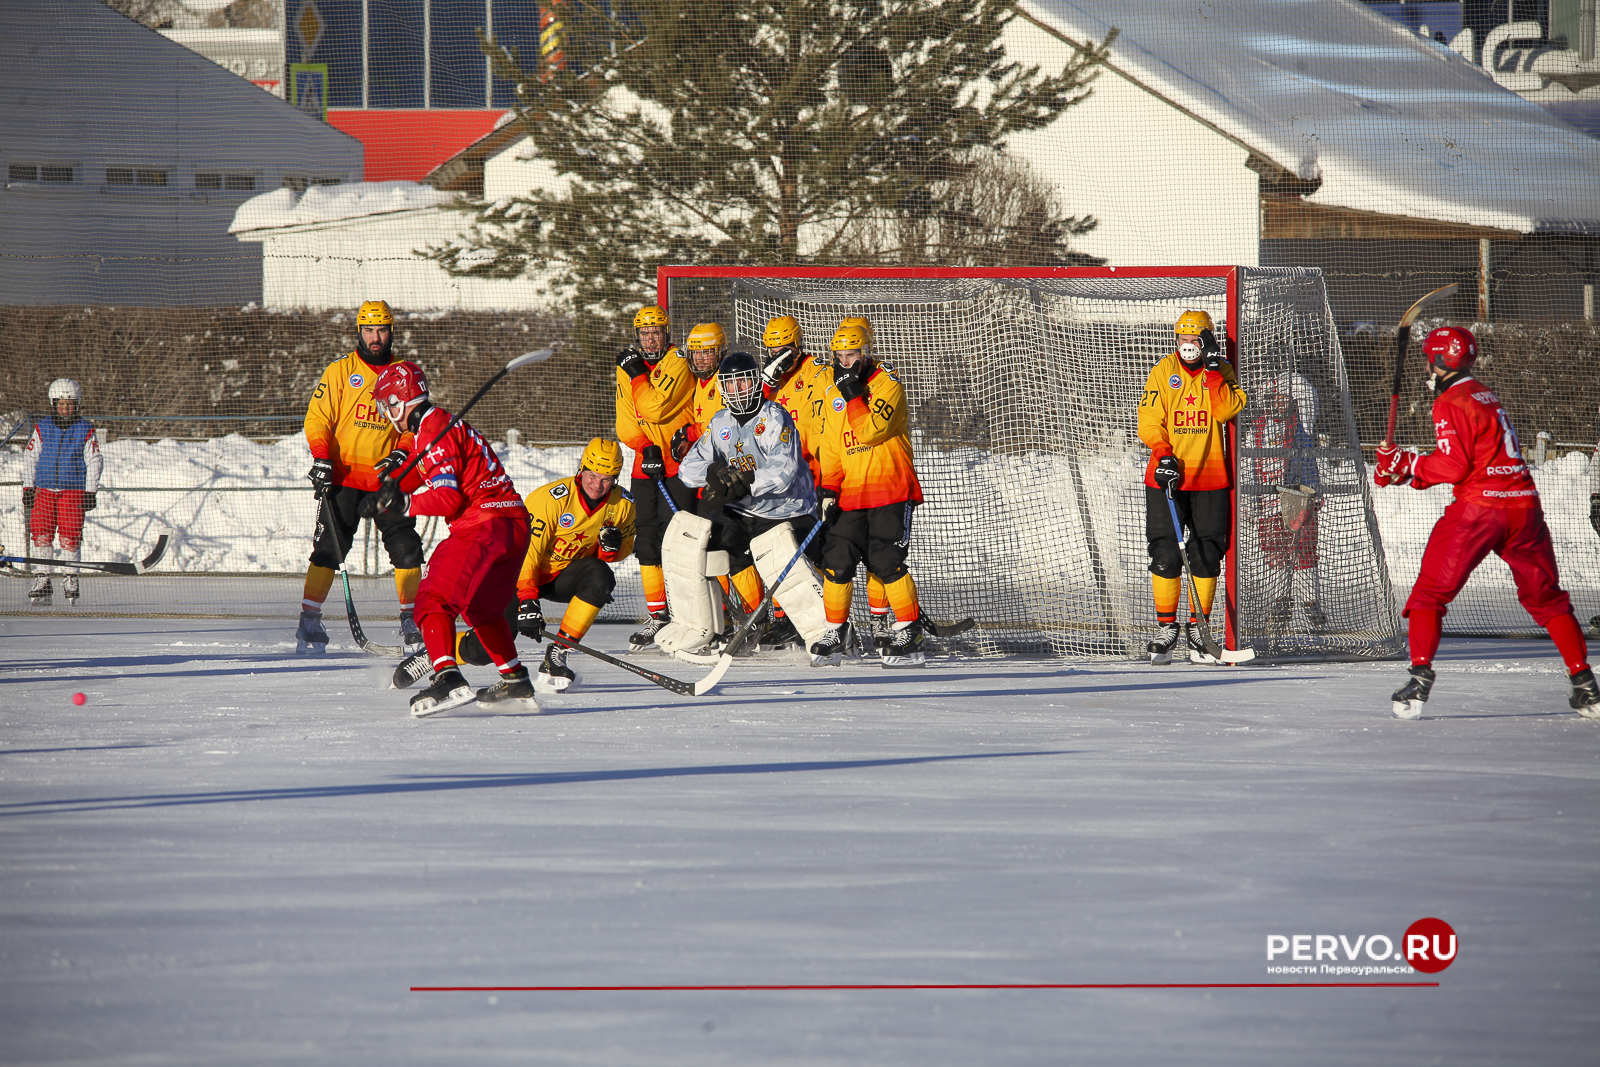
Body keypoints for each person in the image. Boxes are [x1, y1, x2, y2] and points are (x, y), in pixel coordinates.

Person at [1374, 326, 1598, 719]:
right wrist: (1406, 473)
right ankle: (1585, 684)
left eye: (1432, 359)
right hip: (1524, 508)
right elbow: (1474, 457)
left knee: (1429, 594)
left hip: (1480, 510)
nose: (1429, 366)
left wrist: (1406, 463)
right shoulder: (1485, 394)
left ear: (1441, 360)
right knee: (1547, 599)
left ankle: (1419, 679)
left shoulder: (1450, 401)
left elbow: (1456, 465)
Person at [360, 360, 533, 717]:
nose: (387, 413)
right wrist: (389, 491)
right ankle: (514, 679)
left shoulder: (434, 428)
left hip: (482, 524)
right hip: (512, 526)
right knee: (482, 610)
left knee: (433, 600)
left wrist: (405, 504)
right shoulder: (433, 426)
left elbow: (448, 497)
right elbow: (421, 470)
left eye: (388, 404)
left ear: (402, 401)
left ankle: (447, 676)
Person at [297, 299, 424, 655]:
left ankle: (410, 618)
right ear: (359, 331)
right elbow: (318, 418)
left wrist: (404, 448)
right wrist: (322, 459)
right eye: (368, 329)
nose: (375, 337)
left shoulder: (404, 373)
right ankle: (309, 620)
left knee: (407, 548)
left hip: (387, 481)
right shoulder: (341, 370)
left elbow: (416, 423)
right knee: (327, 550)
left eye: (381, 329)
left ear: (391, 331)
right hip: (343, 477)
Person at [678, 351, 822, 653]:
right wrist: (713, 472)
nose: (737, 391)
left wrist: (745, 484)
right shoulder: (720, 423)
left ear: (756, 383)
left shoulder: (774, 417)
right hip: (746, 511)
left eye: (743, 383)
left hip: (789, 508)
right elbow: (687, 469)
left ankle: (821, 626)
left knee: (780, 557)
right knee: (715, 544)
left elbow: (783, 472)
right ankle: (755, 620)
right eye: (731, 385)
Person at [811, 322, 927, 667]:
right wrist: (828, 488)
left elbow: (872, 431)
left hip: (891, 487)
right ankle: (837, 632)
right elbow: (831, 445)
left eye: (853, 355)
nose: (845, 362)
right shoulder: (834, 389)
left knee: (885, 561)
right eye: (839, 356)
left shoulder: (887, 384)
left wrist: (853, 394)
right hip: (851, 493)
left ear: (867, 354)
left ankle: (909, 631)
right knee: (837, 562)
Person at [1137, 309, 1247, 665]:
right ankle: (1166, 629)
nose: (1187, 347)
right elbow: (1149, 420)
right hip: (1168, 475)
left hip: (1211, 477)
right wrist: (1162, 453)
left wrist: (1215, 373)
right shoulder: (1163, 371)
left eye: (1194, 340)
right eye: (1182, 340)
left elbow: (1227, 410)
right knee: (1166, 553)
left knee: (1205, 554)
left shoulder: (1221, 371)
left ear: (1207, 341)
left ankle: (1199, 632)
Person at [510, 438, 637, 692]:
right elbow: (527, 554)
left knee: (600, 578)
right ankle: (436, 657)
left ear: (616, 478)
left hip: (561, 576)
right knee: (487, 645)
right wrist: (527, 601)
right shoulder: (550, 499)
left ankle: (558, 652)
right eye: (592, 475)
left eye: (606, 479)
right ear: (581, 469)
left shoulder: (623, 504)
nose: (597, 485)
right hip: (516, 575)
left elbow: (625, 548)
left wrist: (612, 549)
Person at [614, 305, 695, 650]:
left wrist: (634, 372)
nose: (651, 338)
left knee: (685, 543)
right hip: (644, 469)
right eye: (645, 333)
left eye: (657, 332)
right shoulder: (628, 368)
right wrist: (645, 447)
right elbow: (626, 421)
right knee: (647, 543)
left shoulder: (677, 359)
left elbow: (652, 407)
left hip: (680, 467)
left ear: (667, 334)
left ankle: (699, 616)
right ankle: (659, 615)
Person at [1245, 371, 1326, 632]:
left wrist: (1285, 377)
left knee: (1304, 552)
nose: (1278, 403)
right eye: (1273, 398)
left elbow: (1307, 393)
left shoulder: (1302, 423)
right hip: (1268, 499)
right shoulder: (1257, 428)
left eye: (1284, 398)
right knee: (1276, 554)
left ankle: (1310, 603)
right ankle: (1281, 603)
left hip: (1298, 497)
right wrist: (1249, 501)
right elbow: (1247, 463)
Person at [21, 378, 102, 605]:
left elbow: (94, 460)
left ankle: (70, 577)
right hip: (44, 490)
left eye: (70, 404)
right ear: (53, 403)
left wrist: (90, 490)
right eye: (61, 404)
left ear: (77, 404)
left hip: (73, 490)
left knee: (70, 535)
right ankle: (42, 579)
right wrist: (28, 486)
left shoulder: (85, 429)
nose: (66, 408)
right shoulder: (42, 427)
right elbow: (30, 457)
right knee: (41, 534)